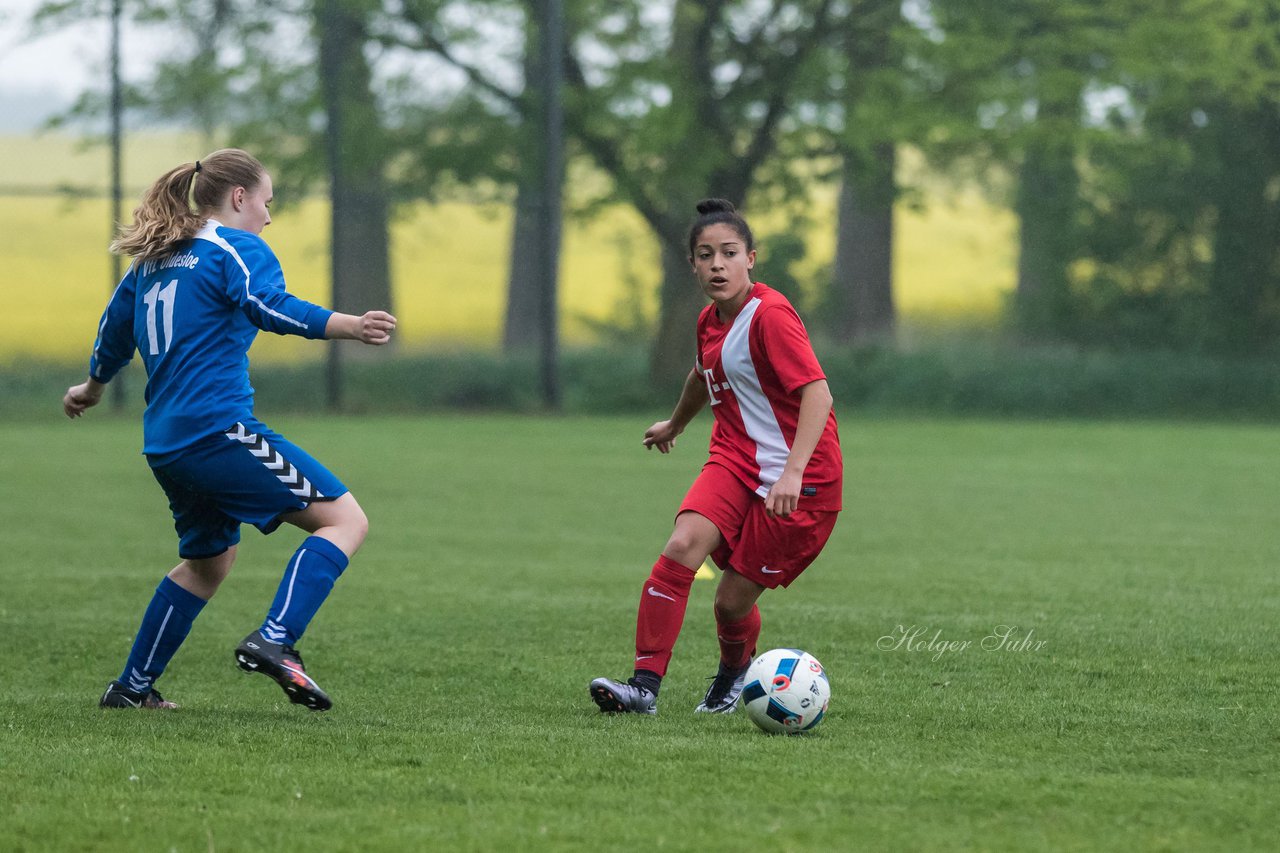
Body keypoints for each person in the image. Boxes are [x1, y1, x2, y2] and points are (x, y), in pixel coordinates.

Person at [63, 148, 396, 712]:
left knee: (207, 562)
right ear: (239, 198)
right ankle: (276, 640)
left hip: (166, 444)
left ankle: (131, 690)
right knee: (344, 520)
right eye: (266, 202)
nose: (269, 216)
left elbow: (112, 334)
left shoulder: (153, 260)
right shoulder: (234, 248)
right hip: (217, 430)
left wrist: (91, 389)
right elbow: (269, 306)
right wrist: (350, 326)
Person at [589, 198, 842, 716]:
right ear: (693, 265)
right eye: (706, 255)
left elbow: (818, 392)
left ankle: (732, 678)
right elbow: (703, 373)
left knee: (729, 604)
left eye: (729, 253)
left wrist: (792, 473)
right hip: (735, 460)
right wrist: (675, 423)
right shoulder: (709, 319)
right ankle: (642, 688)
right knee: (682, 544)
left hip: (804, 481)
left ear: (752, 258)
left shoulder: (770, 315)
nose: (718, 265)